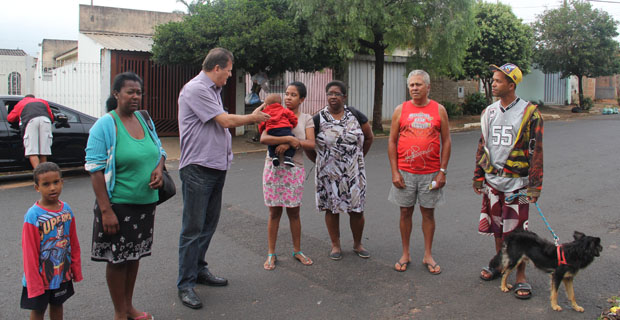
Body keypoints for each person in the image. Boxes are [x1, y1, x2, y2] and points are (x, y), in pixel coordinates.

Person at [176, 48, 270, 309]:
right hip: (198, 168)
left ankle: (198, 268)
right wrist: (252, 117)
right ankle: (185, 284)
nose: (230, 75)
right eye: (229, 70)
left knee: (208, 225)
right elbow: (225, 121)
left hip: (215, 167)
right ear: (216, 68)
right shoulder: (196, 89)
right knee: (193, 229)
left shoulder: (212, 91)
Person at [85, 72, 166, 320]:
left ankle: (129, 307)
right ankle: (119, 312)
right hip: (118, 207)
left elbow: (159, 150)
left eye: (138, 92)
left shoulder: (144, 119)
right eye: (130, 91)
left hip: (145, 205)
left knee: (134, 256)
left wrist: (158, 168)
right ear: (116, 94)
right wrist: (106, 210)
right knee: (118, 260)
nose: (135, 96)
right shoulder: (105, 125)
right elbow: (94, 168)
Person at [473, 63, 543, 299]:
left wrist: (535, 185)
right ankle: (501, 264)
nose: (493, 83)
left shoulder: (530, 113)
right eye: (493, 79)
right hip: (493, 183)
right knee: (498, 229)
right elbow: (483, 146)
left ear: (511, 85)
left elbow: (537, 150)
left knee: (519, 232)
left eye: (498, 81)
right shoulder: (489, 112)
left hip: (519, 184)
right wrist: (478, 175)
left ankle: (521, 277)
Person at [388, 70, 451, 274]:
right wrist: (394, 172)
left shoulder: (439, 110)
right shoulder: (401, 110)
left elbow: (447, 141)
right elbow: (391, 141)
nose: (414, 88)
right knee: (405, 212)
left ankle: (428, 254)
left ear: (428, 87)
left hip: (431, 173)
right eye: (412, 85)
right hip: (405, 172)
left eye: (418, 85)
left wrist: (442, 171)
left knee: (428, 213)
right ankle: (405, 253)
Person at [308, 80, 374, 261]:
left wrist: (357, 159)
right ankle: (335, 245)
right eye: (330, 93)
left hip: (354, 173)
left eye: (337, 94)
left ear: (344, 97)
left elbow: (368, 137)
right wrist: (320, 161)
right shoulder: (317, 118)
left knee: (357, 209)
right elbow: (308, 144)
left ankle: (357, 244)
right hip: (328, 173)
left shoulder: (355, 115)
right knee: (332, 209)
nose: (333, 97)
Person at [259, 82, 315, 270]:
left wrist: (292, 144)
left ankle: (297, 250)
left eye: (293, 95)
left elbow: (310, 143)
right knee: (274, 212)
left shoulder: (306, 119)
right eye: (287, 94)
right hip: (273, 169)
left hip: (294, 169)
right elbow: (264, 138)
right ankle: (270, 253)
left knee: (294, 212)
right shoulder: (274, 112)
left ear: (302, 99)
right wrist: (287, 139)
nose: (288, 98)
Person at [21, 162, 82, 320]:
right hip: (40, 276)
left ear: (62, 182)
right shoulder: (33, 215)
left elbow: (73, 241)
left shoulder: (66, 209)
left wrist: (75, 267)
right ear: (37, 187)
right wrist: (34, 282)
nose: (52, 188)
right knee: (38, 310)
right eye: (46, 184)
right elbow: (29, 252)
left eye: (56, 182)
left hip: (61, 272)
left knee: (57, 304)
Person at [7, 94, 54, 169]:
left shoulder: (21, 103)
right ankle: (44, 172)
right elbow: (51, 117)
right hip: (45, 121)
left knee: (32, 150)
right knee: (44, 151)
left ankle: (38, 173)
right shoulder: (43, 102)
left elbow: (10, 118)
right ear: (34, 98)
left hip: (30, 121)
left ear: (25, 98)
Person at [258, 93, 298, 167]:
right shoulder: (284, 110)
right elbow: (293, 118)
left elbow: (261, 123)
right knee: (293, 138)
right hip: (284, 129)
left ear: (266, 105)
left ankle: (274, 156)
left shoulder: (265, 112)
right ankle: (288, 157)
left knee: (271, 143)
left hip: (271, 130)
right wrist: (293, 124)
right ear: (280, 103)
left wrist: (262, 130)